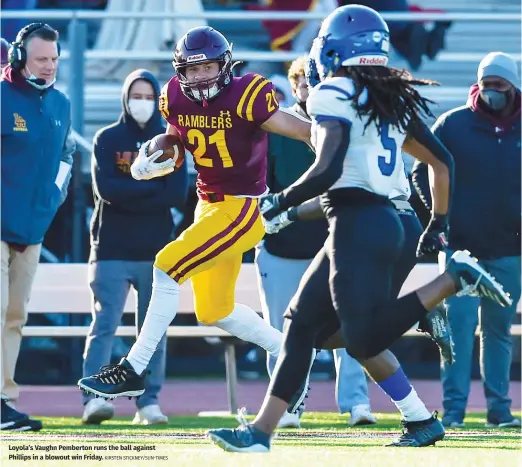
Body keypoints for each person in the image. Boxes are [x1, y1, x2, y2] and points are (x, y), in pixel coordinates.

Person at [206, 5, 512, 452]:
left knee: (363, 338)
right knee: (300, 327)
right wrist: (438, 224)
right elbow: (442, 162)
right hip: (369, 220)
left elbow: (328, 169)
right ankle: (260, 432)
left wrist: (279, 202)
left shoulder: (332, 93)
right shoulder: (387, 97)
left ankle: (450, 281)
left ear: (334, 49)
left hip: (358, 222)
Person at [77, 26, 313, 415]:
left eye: (208, 67)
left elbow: (302, 130)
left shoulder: (247, 93)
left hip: (240, 208)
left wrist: (336, 154)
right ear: (180, 71)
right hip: (208, 205)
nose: (200, 76)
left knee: (166, 266)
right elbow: (176, 139)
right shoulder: (173, 95)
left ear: (224, 65)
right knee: (215, 310)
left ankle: (133, 367)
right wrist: (152, 157)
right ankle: (292, 353)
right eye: (192, 69)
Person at [412, 52, 521, 429]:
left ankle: (500, 411)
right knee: (456, 334)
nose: (491, 92)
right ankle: (454, 412)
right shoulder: (453, 124)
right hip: (460, 250)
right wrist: (439, 220)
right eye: (486, 84)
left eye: (500, 86)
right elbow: (419, 173)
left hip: (510, 249)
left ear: (514, 87)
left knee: (498, 333)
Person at [81, 69, 189, 425]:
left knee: (153, 329)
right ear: (125, 98)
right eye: (135, 95)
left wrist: (133, 191)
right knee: (104, 325)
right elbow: (106, 191)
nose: (141, 103)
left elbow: (177, 194)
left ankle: (148, 402)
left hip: (157, 250)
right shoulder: (107, 138)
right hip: (111, 247)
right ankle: (94, 398)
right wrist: (150, 191)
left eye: (148, 96)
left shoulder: (170, 140)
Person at [1, 23, 75, 432]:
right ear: (18, 58)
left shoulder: (61, 104)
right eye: (40, 59)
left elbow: (67, 157)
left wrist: (54, 198)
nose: (48, 67)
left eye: (54, 59)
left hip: (31, 229)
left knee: (15, 315)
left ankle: (4, 401)